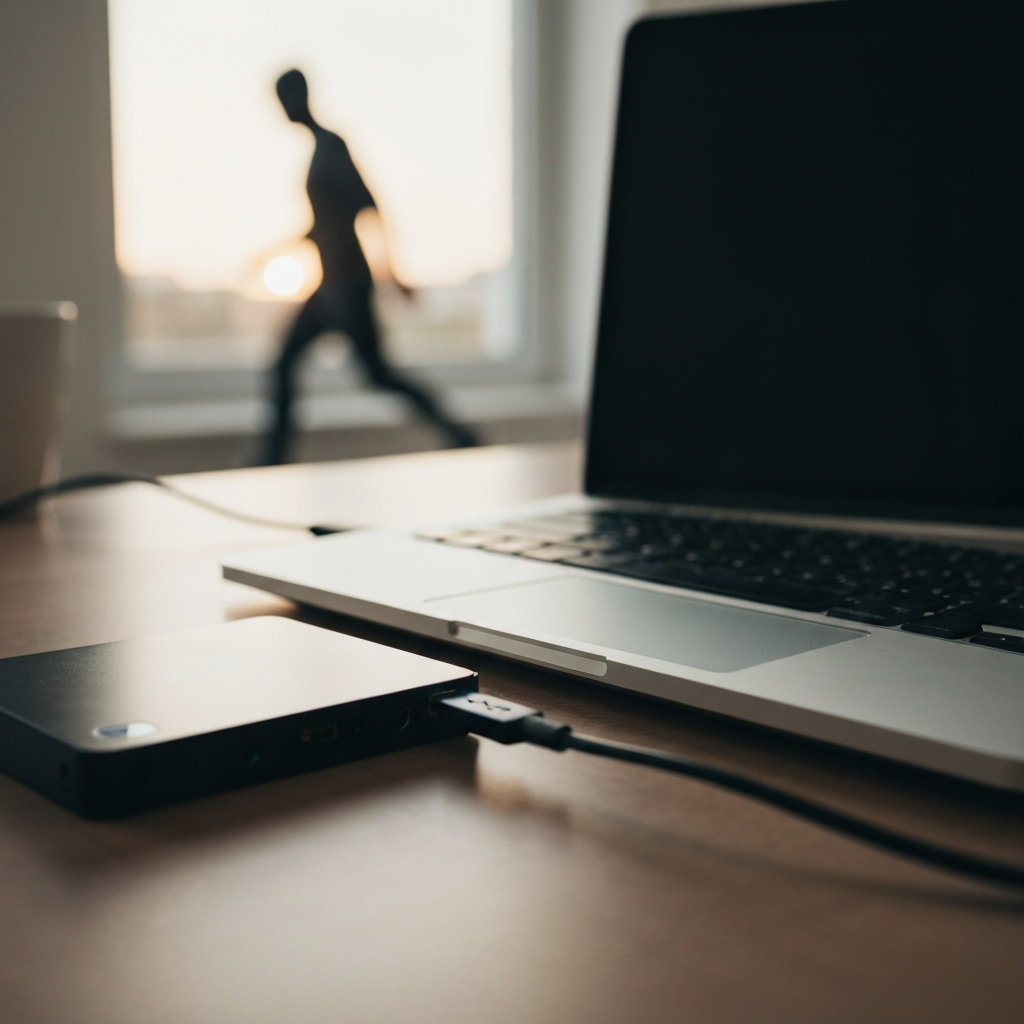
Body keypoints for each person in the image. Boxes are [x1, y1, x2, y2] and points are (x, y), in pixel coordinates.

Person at [256, 69, 478, 465]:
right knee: (286, 363)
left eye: (284, 98)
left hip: (348, 283)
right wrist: (274, 251)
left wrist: (393, 275)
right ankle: (272, 460)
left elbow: (370, 208)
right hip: (328, 286)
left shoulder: (332, 147)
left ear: (299, 96)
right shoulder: (317, 151)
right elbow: (325, 224)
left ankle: (462, 436)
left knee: (377, 373)